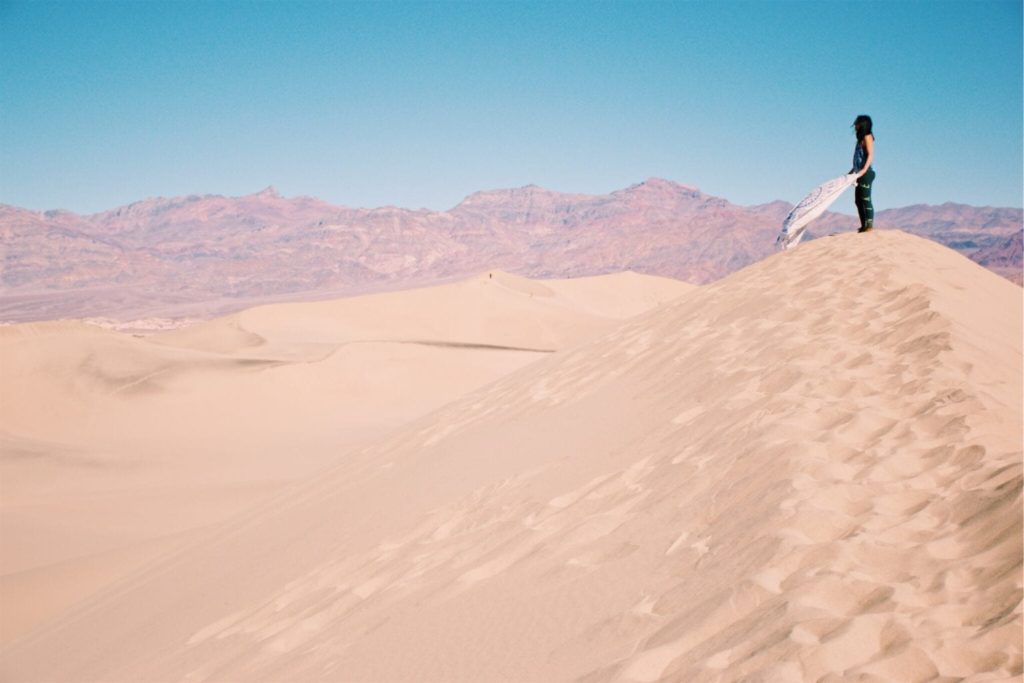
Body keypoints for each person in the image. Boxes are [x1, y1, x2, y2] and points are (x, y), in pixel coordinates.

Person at [849, 115, 875, 232]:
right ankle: (864, 225)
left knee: (865, 199)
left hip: (866, 173)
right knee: (858, 200)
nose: (855, 125)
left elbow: (870, 154)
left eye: (857, 123)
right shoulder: (860, 139)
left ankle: (869, 226)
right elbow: (858, 159)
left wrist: (864, 169)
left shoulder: (867, 136)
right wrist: (851, 172)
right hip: (859, 173)